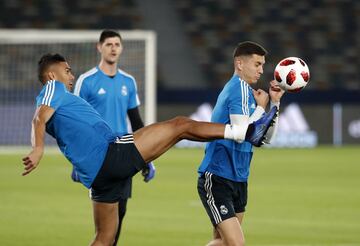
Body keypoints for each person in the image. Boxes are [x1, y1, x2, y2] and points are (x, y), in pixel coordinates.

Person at [22, 53, 277, 246]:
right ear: (52, 76)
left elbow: (68, 131)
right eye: (66, 71)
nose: (71, 76)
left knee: (104, 239)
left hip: (99, 176)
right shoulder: (51, 89)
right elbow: (38, 119)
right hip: (111, 154)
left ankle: (245, 130)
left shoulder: (63, 102)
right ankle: (242, 132)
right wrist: (38, 148)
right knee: (180, 125)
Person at [197, 41, 285, 246]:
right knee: (236, 243)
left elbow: (265, 138)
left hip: (239, 177)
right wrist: (262, 108)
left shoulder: (249, 95)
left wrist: (275, 103)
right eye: (257, 64)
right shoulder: (238, 90)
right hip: (218, 176)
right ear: (239, 64)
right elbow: (241, 133)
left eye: (262, 65)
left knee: (222, 241)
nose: (261, 70)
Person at [72, 29, 154, 245]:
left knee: (119, 218)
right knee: (104, 227)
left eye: (117, 44)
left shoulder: (129, 81)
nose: (113, 48)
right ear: (99, 47)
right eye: (109, 44)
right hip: (99, 155)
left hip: (124, 153)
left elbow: (136, 121)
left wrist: (148, 157)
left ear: (121, 48)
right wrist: (77, 160)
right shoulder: (86, 81)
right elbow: (77, 122)